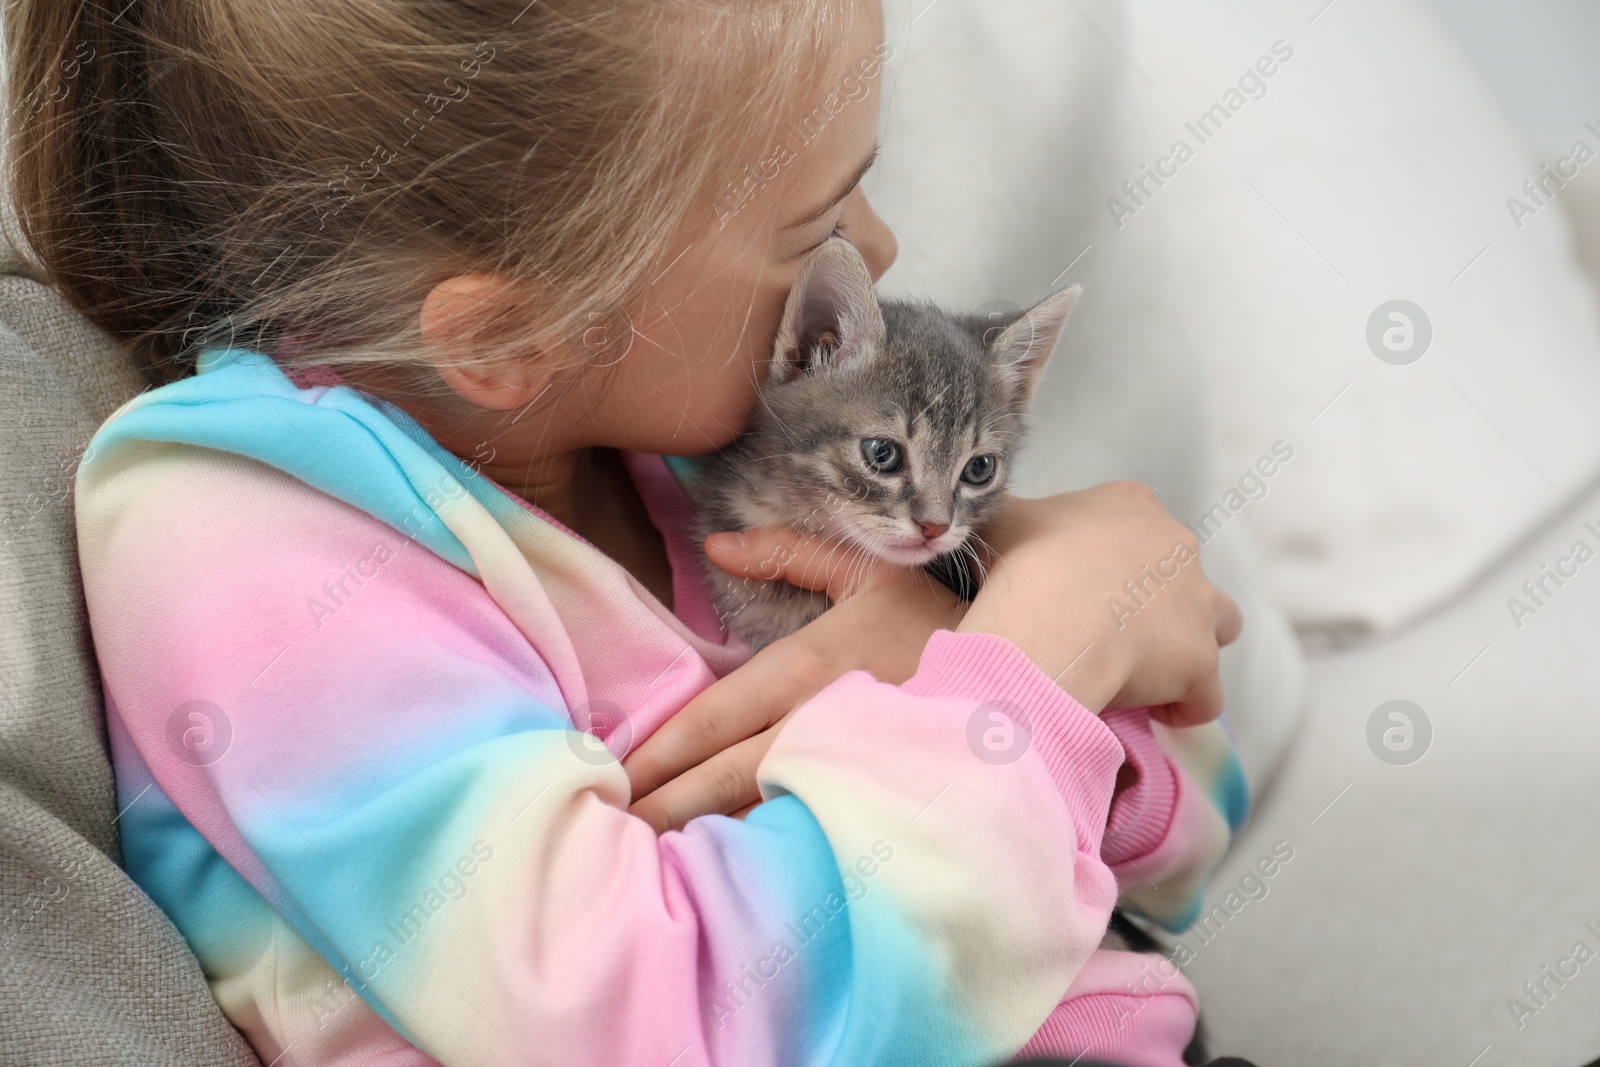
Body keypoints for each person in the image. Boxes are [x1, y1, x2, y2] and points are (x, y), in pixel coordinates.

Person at [11, 0, 1246, 1063]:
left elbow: (1182, 845)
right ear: (507, 338)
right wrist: (1026, 665)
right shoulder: (247, 534)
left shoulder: (704, 459)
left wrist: (1051, 645)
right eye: (820, 220)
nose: (878, 251)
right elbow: (678, 1021)